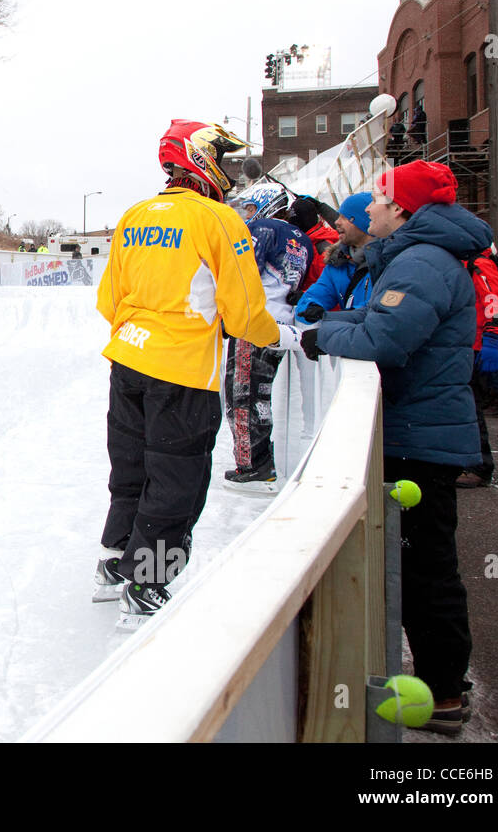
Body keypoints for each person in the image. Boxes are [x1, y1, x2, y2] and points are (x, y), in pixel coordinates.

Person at [300, 160, 490, 734]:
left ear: (403, 210)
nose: (372, 208)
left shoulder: (422, 262)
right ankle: (443, 685)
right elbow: (369, 315)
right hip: (418, 431)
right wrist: (333, 324)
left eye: (380, 199)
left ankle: (442, 693)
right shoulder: (414, 257)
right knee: (419, 565)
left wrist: (322, 335)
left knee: (425, 570)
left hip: (420, 439)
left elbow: (384, 337)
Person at [95, 119, 287, 629]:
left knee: (132, 467)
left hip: (127, 360)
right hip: (181, 371)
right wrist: (276, 336)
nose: (227, 170)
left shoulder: (134, 215)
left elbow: (108, 299)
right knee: (177, 477)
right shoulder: (219, 218)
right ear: (199, 158)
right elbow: (245, 310)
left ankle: (114, 562)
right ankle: (147, 583)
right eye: (221, 159)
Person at [223, 186, 311, 491]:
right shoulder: (302, 238)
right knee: (259, 394)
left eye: (250, 208)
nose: (248, 214)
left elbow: (243, 274)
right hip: (282, 326)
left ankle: (253, 466)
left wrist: (228, 315)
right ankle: (261, 460)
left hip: (255, 324)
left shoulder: (262, 229)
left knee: (242, 395)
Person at [457, 247, 498, 486]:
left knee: (470, 407)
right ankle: (471, 463)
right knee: (465, 406)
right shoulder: (468, 261)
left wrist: (491, 338)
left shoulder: (479, 263)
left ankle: (479, 467)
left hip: (476, 346)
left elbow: (493, 300)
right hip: (468, 345)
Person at [294, 192, 375, 323]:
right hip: (348, 331)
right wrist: (311, 305)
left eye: (344, 217)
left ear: (363, 222)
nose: (337, 222)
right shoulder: (338, 262)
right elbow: (319, 292)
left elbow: (373, 314)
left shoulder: (385, 260)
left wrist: (331, 318)